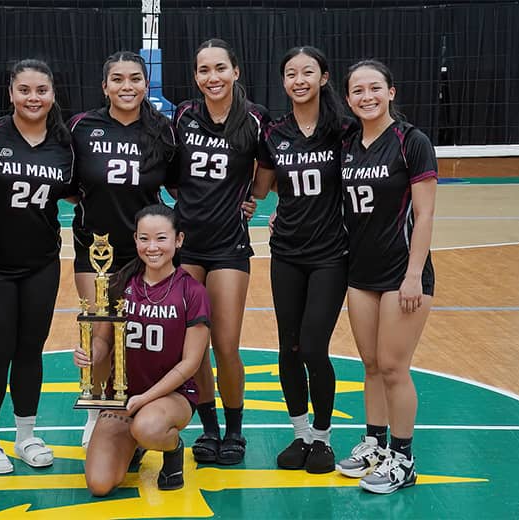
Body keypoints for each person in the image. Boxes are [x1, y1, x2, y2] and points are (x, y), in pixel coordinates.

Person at [335, 60, 437, 494]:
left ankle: (403, 458)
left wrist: (414, 274)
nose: (366, 96)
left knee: (395, 367)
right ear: (348, 99)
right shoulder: (347, 142)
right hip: (361, 272)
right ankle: (374, 442)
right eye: (357, 90)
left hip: (403, 274)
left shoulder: (411, 141)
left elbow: (425, 211)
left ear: (391, 92)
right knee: (372, 365)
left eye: (374, 88)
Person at [0, 59, 74, 474]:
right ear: (10, 93)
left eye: (41, 90)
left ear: (52, 94)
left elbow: (82, 192)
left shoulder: (64, 144)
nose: (34, 98)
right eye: (25, 90)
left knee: (31, 350)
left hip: (41, 263)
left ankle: (26, 435)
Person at [69, 51, 177, 447]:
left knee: (135, 334)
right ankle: (98, 410)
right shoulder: (82, 127)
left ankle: (141, 404)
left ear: (147, 85)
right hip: (94, 249)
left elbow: (181, 186)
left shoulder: (162, 130)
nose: (126, 86)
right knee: (100, 332)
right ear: (104, 86)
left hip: (146, 251)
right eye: (117, 79)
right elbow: (65, 184)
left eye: (135, 79)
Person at [169, 38, 268, 465]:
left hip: (229, 246)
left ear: (235, 72)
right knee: (195, 346)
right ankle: (208, 429)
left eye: (220, 68)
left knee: (226, 345)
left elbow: (266, 170)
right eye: (204, 70)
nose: (212, 77)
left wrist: (253, 197)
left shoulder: (255, 120)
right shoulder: (183, 116)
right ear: (196, 76)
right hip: (188, 245)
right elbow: (172, 175)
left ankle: (235, 430)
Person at [252, 46, 351, 474]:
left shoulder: (343, 131)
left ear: (324, 77)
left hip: (331, 254)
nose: (299, 80)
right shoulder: (274, 133)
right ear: (283, 82)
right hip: (287, 252)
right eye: (290, 73)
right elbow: (260, 187)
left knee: (313, 345)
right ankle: (300, 434)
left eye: (307, 72)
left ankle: (324, 438)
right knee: (288, 347)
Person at [73, 203, 211, 495]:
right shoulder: (120, 283)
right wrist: (91, 353)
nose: (152, 247)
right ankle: (133, 443)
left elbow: (190, 364)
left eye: (161, 238)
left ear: (178, 240)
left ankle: (171, 449)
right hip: (123, 396)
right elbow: (103, 341)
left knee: (147, 427)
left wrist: (146, 398)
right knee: (100, 484)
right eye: (144, 238)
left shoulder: (192, 291)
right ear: (135, 239)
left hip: (172, 397)